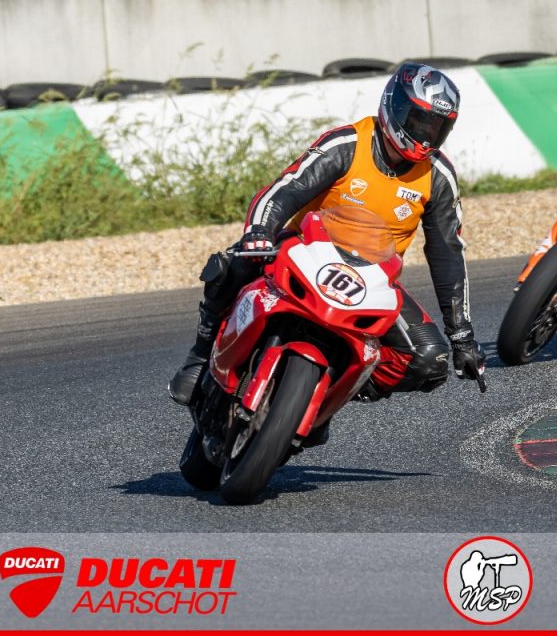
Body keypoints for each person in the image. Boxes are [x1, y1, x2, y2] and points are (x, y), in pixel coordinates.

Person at [168, 63, 486, 413]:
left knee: (430, 359)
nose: (425, 135)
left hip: (372, 278)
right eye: (419, 121)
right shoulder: (347, 143)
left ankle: (323, 398)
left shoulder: (438, 175)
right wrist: (259, 232)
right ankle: (200, 355)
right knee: (232, 264)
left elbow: (447, 253)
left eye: (436, 127)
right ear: (394, 105)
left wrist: (462, 336)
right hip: (305, 248)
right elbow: (286, 190)